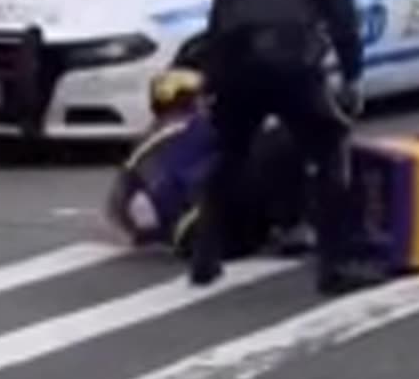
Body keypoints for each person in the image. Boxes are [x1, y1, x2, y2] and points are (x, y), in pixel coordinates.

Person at [191, 0, 377, 296]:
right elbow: (342, 13)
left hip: (237, 65)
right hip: (291, 60)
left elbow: (215, 29)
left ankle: (205, 256)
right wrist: (353, 75)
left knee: (229, 156)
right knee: (329, 150)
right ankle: (335, 265)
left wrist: (211, 84)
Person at [103, 69, 310, 259]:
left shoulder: (147, 142)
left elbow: (120, 210)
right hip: (210, 224)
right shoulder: (197, 125)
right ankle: (292, 226)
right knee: (280, 142)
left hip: (180, 233)